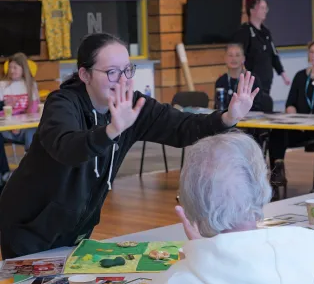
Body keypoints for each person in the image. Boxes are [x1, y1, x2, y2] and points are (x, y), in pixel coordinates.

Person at [0, 33, 259, 259]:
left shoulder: (133, 106)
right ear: (84, 74)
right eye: (111, 72)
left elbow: (182, 127)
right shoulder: (63, 103)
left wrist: (228, 117)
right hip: (27, 226)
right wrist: (112, 130)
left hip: (73, 228)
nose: (121, 79)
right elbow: (67, 148)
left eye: (127, 70)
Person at [147, 132, 314, 284]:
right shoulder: (304, 255)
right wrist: (206, 253)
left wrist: (202, 254)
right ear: (261, 189)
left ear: (190, 202)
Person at [268, 40, 314, 187]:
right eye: (311, 51)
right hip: (299, 127)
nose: (313, 55)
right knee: (276, 132)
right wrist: (295, 119)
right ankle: (277, 173)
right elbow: (290, 104)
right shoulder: (300, 76)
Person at [233, 0, 290, 100]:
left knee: (265, 105)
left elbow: (273, 54)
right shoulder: (244, 31)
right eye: (262, 8)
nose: (265, 11)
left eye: (266, 8)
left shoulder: (265, 32)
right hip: (251, 81)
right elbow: (239, 55)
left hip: (266, 80)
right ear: (252, 10)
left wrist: (283, 74)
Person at [0, 52, 40, 151]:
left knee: (33, 132)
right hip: (7, 128)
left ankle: (31, 161)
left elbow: (33, 112)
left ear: (23, 69)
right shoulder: (2, 85)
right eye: (10, 67)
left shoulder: (31, 85)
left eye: (15, 68)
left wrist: (20, 125)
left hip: (25, 127)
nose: (11, 70)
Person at [214, 43, 268, 112]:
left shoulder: (252, 79)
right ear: (225, 59)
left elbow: (257, 106)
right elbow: (218, 107)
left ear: (243, 59)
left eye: (237, 55)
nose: (234, 59)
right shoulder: (221, 81)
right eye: (230, 55)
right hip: (228, 120)